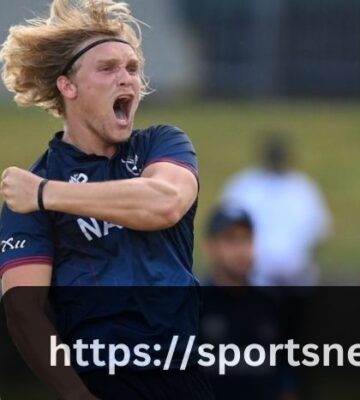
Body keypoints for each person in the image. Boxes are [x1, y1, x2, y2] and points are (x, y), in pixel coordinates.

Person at [0, 1, 211, 399]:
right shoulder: (29, 191)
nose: (127, 79)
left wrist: (47, 195)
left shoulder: (161, 144)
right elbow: (23, 312)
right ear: (68, 86)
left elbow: (163, 203)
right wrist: (77, 395)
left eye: (132, 68)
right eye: (108, 68)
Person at [200, 204, 299, 400]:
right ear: (210, 247)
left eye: (246, 239)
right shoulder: (194, 304)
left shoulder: (272, 304)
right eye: (230, 240)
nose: (240, 250)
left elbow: (286, 375)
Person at [221, 133, 331, 286]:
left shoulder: (302, 188)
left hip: (296, 280)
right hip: (254, 279)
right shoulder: (245, 186)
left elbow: (319, 234)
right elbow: (225, 230)